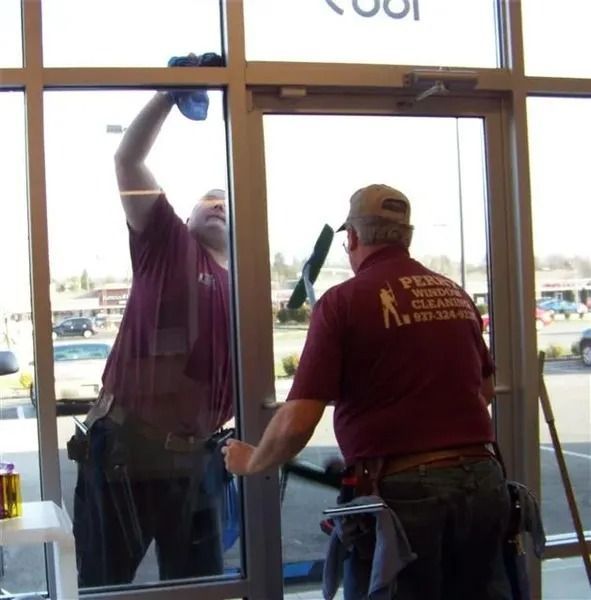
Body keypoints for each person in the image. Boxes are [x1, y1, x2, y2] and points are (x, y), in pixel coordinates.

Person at [223, 184, 512, 599]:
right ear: (406, 237)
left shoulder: (343, 302)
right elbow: (480, 390)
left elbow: (297, 421)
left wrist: (252, 462)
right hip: (484, 482)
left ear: (353, 238)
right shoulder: (455, 294)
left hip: (407, 499)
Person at [70, 86, 234, 586]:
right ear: (185, 218)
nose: (218, 205)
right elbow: (128, 158)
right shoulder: (166, 243)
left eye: (226, 202)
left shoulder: (242, 286)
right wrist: (167, 95)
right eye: (207, 201)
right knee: (107, 586)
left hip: (199, 458)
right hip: (128, 450)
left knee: (200, 589)